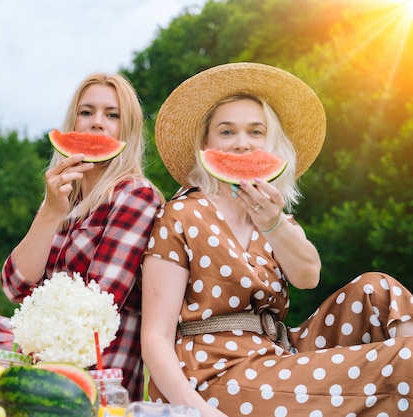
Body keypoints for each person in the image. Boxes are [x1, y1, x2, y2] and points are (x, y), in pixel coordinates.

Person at [141, 62, 413, 416]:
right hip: (212, 375)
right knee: (404, 361)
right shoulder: (181, 214)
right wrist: (196, 410)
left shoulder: (276, 219)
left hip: (278, 356)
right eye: (227, 132)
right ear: (206, 143)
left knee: (379, 290)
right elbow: (156, 337)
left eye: (256, 132)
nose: (241, 143)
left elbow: (307, 276)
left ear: (272, 146)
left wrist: (272, 223)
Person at [1, 72, 164, 401]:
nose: (97, 124)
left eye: (112, 115)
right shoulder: (65, 202)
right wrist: (49, 211)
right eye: (86, 112)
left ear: (128, 130)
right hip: (40, 359)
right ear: (72, 123)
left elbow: (95, 308)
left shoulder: (135, 195)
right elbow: (14, 284)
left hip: (93, 379)